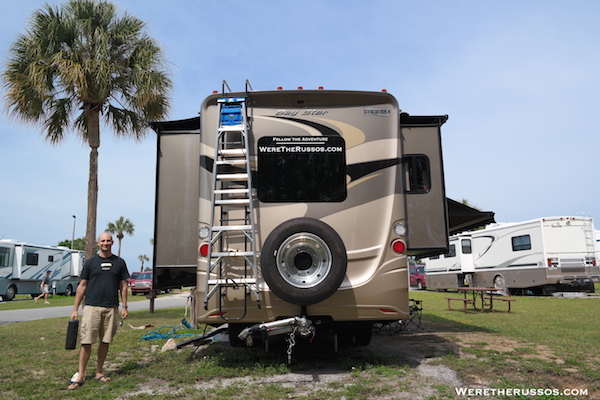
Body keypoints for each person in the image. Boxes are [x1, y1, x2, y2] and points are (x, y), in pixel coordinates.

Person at [67, 232, 129, 390]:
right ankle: (80, 375)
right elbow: (82, 286)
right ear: (98, 243)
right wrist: (75, 309)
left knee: (105, 340)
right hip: (91, 307)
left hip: (111, 307)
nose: (106, 243)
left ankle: (99, 372)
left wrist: (124, 306)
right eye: (103, 241)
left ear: (112, 242)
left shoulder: (119, 262)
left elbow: (123, 285)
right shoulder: (90, 262)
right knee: (86, 341)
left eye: (108, 241)